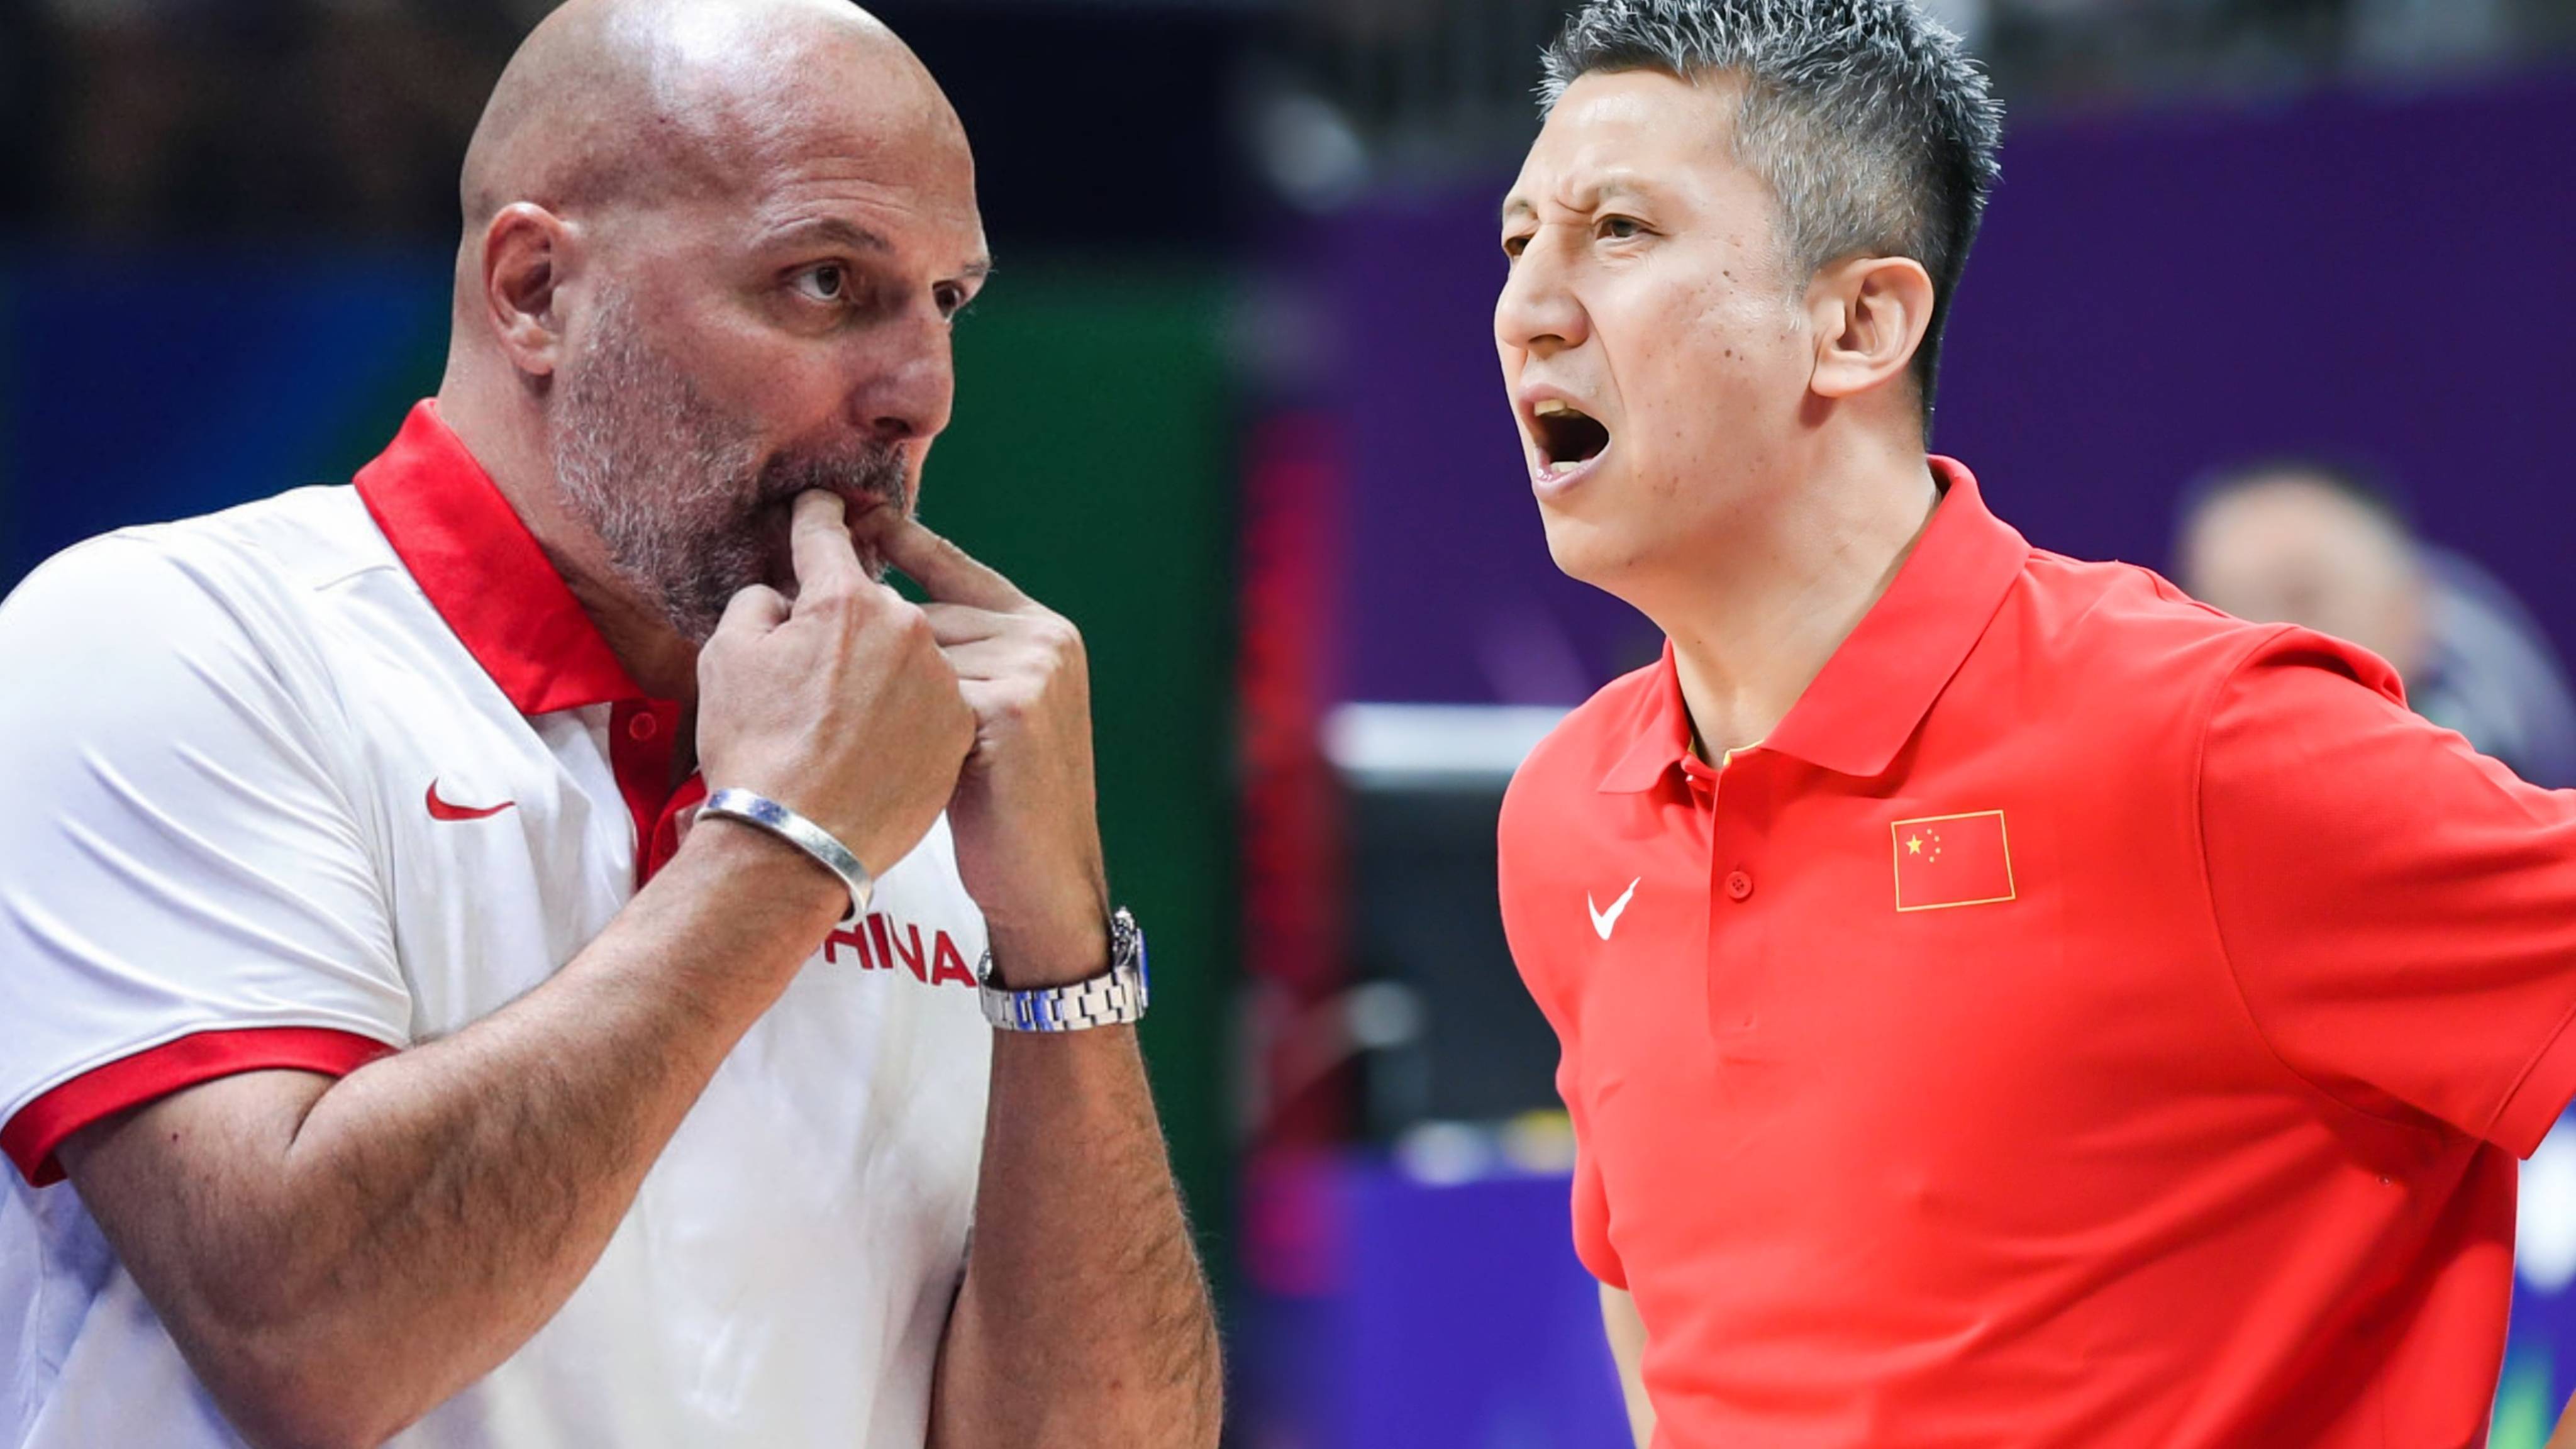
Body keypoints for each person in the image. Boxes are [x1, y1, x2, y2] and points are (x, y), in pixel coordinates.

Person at [0, 2, 1221, 1446]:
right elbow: (311, 1340)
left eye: (945, 300)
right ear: (534, 291)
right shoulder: (169, 641)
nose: (921, 394)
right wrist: (785, 846)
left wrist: (1059, 945)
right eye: (828, 281)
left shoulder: (915, 784)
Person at [1491, 1, 2576, 1444]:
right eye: (1518, 240)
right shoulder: (1566, 817)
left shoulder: (2194, 745)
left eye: (1618, 231)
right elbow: (1669, 1312)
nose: (1529, 307)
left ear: (1857, 324)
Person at [2176, 457, 2576, 788]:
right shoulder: (2175, 794)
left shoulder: (2495, 791)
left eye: (2303, 598)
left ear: (2406, 612)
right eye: (2220, 612)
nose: (2259, 636)